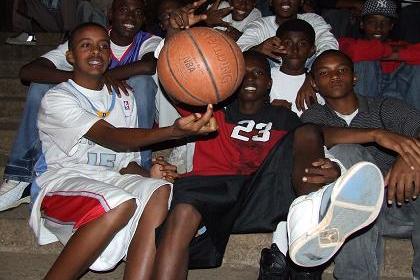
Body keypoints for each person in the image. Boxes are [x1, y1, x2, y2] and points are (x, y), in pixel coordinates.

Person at [152, 42, 384, 280]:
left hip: (265, 194)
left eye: (259, 73)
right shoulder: (212, 111)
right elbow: (177, 79)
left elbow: (317, 137)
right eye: (243, 74)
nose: (250, 78)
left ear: (270, 82)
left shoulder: (284, 116)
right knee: (182, 210)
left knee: (307, 130)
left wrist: (336, 164)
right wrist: (175, 38)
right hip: (216, 196)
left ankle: (310, 219)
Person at [29, 22, 217, 279]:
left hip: (110, 181)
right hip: (63, 183)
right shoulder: (58, 98)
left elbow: (125, 162)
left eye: (103, 46)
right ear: (70, 56)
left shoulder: (124, 96)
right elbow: (113, 138)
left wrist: (149, 173)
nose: (96, 52)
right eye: (86, 45)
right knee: (119, 202)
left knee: (160, 189)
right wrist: (174, 132)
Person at [0, 0, 161, 212]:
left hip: (124, 112)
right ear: (110, 14)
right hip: (84, 109)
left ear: (144, 18)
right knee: (40, 86)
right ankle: (20, 173)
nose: (130, 17)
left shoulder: (149, 40)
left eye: (138, 12)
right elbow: (28, 72)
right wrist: (83, 76)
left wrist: (103, 76)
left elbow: (149, 65)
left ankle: (143, 163)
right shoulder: (89, 38)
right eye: (123, 10)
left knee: (142, 83)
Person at [301, 49, 420, 279]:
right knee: (347, 155)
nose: (334, 76)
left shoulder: (385, 106)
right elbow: (317, 135)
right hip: (351, 211)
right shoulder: (313, 116)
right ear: (314, 84)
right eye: (324, 72)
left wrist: (408, 157)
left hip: (402, 205)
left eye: (342, 70)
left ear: (354, 77)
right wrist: (376, 134)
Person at [236, 0, 338, 113]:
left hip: (308, 68)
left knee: (332, 63)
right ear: (270, 2)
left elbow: (329, 46)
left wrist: (313, 76)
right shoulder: (260, 25)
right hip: (271, 72)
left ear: (301, 2)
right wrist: (258, 49)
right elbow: (236, 53)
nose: (285, 0)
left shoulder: (313, 20)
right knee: (253, 61)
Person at [339, 0, 420, 109]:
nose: (378, 28)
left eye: (384, 23)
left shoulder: (401, 44)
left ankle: (415, 122)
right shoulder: (348, 42)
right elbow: (356, 51)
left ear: (391, 26)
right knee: (364, 63)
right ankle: (363, 120)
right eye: (372, 22)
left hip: (398, 95)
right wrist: (395, 53)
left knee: (417, 68)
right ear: (362, 24)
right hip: (367, 93)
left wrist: (383, 52)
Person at [269, 18, 324, 115]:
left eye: (302, 44)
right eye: (288, 43)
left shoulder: (318, 82)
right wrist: (269, 109)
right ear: (277, 46)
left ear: (312, 49)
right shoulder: (267, 76)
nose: (295, 50)